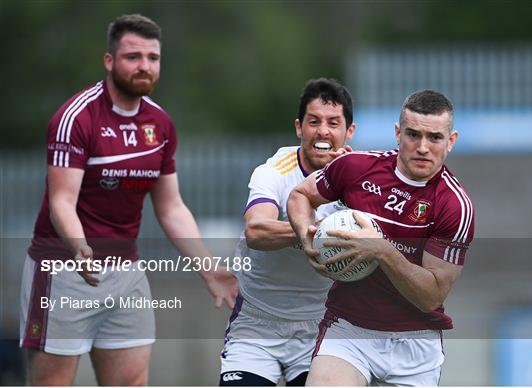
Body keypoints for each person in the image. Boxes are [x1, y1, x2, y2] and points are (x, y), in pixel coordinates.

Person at [20, 14, 238, 385]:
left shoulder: (161, 124)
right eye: (133, 57)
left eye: (153, 58)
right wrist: (79, 247)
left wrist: (208, 267)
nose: (144, 66)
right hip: (64, 273)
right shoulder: (76, 117)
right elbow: (61, 201)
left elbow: (170, 207)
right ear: (109, 62)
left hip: (126, 274)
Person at [287, 90, 475, 386]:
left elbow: (431, 296)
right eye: (413, 134)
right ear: (398, 133)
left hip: (415, 342)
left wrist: (382, 251)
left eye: (435, 138)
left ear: (450, 141)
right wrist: (305, 232)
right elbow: (301, 195)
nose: (423, 147)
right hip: (349, 329)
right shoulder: (356, 168)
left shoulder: (454, 205)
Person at [219, 78, 356, 386]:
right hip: (257, 324)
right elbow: (256, 230)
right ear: (299, 127)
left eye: (333, 123)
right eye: (314, 121)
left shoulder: (360, 183)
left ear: (349, 132)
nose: (323, 131)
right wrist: (316, 232)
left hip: (322, 327)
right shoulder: (273, 171)